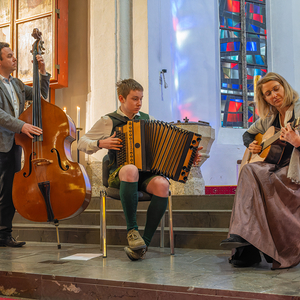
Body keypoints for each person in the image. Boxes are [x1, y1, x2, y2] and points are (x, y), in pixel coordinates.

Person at [78, 78, 202, 261]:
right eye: (134, 99)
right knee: (130, 169)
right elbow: (81, 142)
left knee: (161, 184)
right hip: (118, 173)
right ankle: (132, 231)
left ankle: (143, 243)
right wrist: (100, 143)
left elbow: (167, 150)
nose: (139, 103)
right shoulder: (108, 121)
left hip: (146, 176)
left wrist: (189, 158)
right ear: (121, 98)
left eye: (141, 99)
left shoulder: (148, 120)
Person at [220, 72, 300, 269]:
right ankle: (245, 241)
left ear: (285, 87)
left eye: (276, 89)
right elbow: (248, 134)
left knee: (256, 178)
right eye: (267, 93)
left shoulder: (298, 112)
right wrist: (253, 146)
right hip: (276, 167)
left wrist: (297, 141)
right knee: (249, 169)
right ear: (264, 98)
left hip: (293, 171)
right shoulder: (270, 118)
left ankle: (247, 244)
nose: (273, 95)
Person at [0, 42, 50, 247]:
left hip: (15, 144)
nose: (15, 59)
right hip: (1, 143)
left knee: (9, 190)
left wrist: (42, 71)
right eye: (10, 56)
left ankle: (4, 235)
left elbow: (41, 97)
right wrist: (22, 126)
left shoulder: (18, 84)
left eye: (14, 55)